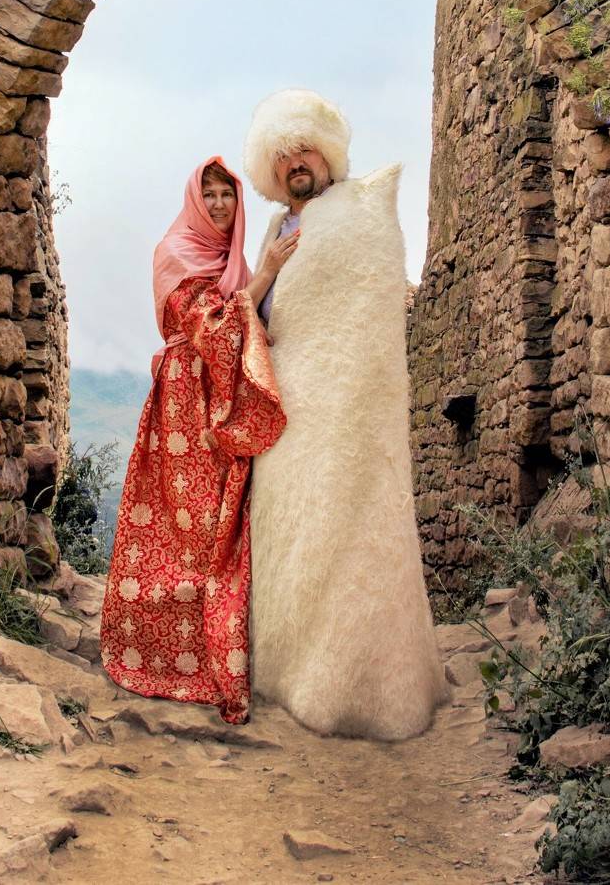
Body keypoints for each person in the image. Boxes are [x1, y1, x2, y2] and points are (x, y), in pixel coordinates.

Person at [243, 90, 449, 741]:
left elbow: (368, 311)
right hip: (284, 405)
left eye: (304, 149)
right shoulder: (275, 231)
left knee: (345, 536)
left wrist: (352, 402)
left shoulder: (360, 209)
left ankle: (355, 685)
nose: (295, 163)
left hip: (341, 407)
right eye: (283, 155)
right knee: (291, 536)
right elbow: (256, 314)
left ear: (326, 153)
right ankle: (286, 670)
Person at [100, 157, 296, 724]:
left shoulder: (231, 261)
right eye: (207, 194)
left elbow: (246, 329)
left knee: (218, 529)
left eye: (226, 194)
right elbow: (211, 328)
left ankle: (215, 653)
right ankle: (165, 655)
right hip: (185, 405)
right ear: (194, 200)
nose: (217, 204)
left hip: (221, 400)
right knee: (184, 530)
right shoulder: (176, 252)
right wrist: (267, 274)